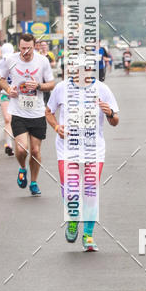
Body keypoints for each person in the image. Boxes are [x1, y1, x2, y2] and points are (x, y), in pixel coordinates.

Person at [45, 68, 119, 250]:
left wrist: (109, 113)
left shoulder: (103, 89)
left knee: (91, 192)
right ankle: (72, 218)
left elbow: (115, 120)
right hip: (67, 149)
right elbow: (49, 111)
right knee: (70, 189)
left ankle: (88, 235)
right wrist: (56, 127)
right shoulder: (61, 88)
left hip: (94, 149)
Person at [0, 33, 55, 195]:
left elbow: (51, 84)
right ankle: (22, 169)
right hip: (18, 111)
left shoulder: (42, 61)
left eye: (28, 49)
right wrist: (9, 89)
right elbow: (1, 79)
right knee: (22, 150)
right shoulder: (11, 60)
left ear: (34, 46)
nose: (25, 52)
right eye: (22, 48)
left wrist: (38, 86)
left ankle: (34, 182)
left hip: (37, 112)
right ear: (18, 47)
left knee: (35, 151)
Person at [0, 42, 15, 155]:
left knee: (15, 121)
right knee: (7, 119)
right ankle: (9, 145)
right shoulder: (0, 62)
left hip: (16, 95)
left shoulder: (18, 61)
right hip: (5, 93)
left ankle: (19, 144)